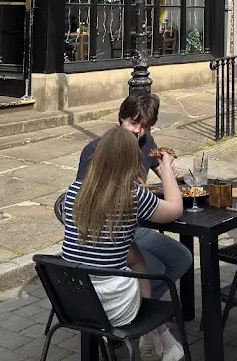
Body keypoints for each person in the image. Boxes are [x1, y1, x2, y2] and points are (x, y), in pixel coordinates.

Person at [75, 92, 193, 340]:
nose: (138, 132)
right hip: (107, 233)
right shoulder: (97, 155)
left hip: (128, 230)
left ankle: (145, 313)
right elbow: (91, 208)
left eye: (145, 127)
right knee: (148, 266)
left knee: (180, 258)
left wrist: (167, 171)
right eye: (133, 123)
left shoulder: (147, 144)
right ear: (121, 119)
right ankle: (142, 320)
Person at [63, 128, 186, 360]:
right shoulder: (132, 195)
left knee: (134, 254)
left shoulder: (73, 192)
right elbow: (175, 209)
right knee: (138, 260)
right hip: (113, 308)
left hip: (72, 302)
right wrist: (167, 169)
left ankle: (162, 340)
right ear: (131, 161)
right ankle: (156, 333)